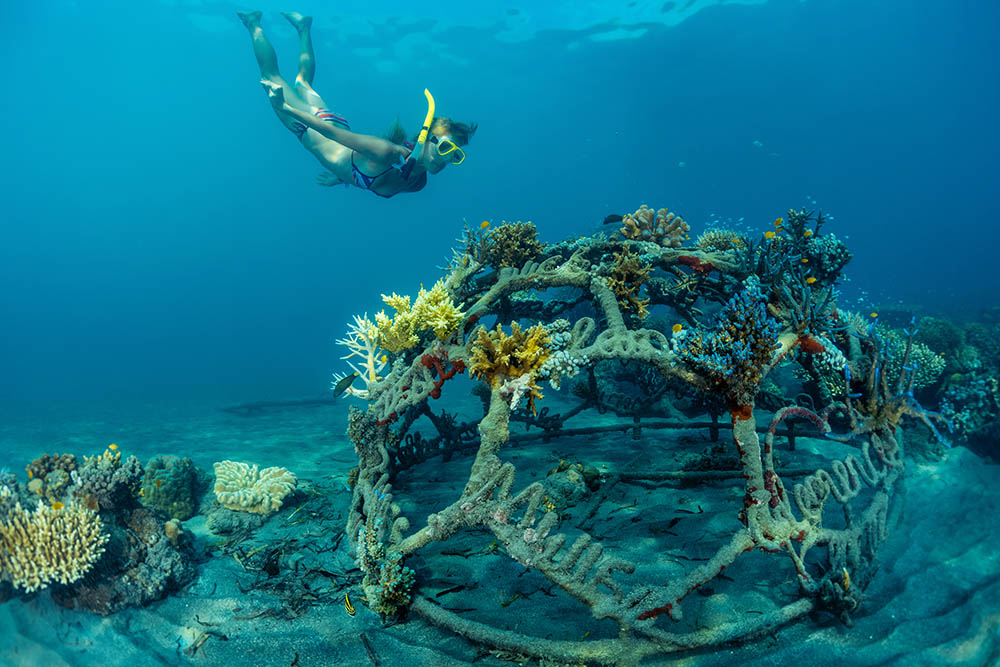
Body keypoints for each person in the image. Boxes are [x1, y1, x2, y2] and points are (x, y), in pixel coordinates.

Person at [237, 11, 476, 198]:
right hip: (312, 128)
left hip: (333, 131)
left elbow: (365, 170)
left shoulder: (418, 183)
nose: (446, 159)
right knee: (272, 76)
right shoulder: (387, 152)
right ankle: (253, 22)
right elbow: (331, 133)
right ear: (429, 139)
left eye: (456, 156)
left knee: (303, 83)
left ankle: (303, 27)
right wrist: (285, 108)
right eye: (445, 149)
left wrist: (342, 177)